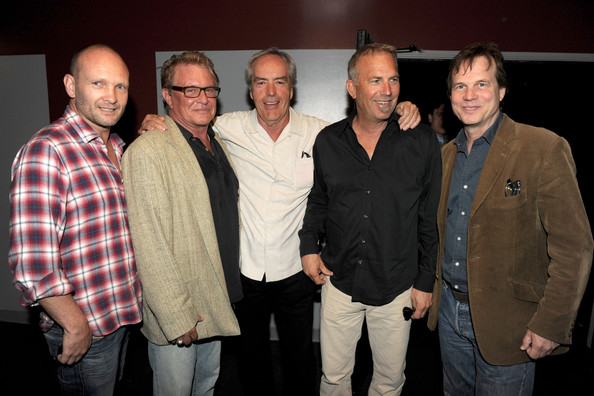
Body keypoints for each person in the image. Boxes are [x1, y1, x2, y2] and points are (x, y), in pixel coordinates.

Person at [139, 47, 421, 396]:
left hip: (296, 269)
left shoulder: (319, 134)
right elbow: (184, 122)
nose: (270, 92)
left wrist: (403, 111)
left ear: (292, 88)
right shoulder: (226, 128)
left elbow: (365, 125)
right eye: (261, 82)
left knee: (300, 359)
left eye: (279, 82)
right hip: (245, 271)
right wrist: (156, 121)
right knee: (251, 360)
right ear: (250, 89)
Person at [426, 42, 594, 396]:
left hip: (510, 324)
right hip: (449, 316)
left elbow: (575, 248)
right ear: (450, 96)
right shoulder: (444, 157)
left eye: (481, 84)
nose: (470, 95)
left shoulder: (543, 148)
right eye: (460, 86)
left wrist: (551, 323)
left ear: (501, 91)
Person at [299, 43, 442, 395]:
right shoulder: (328, 141)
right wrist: (307, 246)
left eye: (393, 79)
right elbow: (318, 199)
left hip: (397, 288)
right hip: (339, 281)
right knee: (333, 378)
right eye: (375, 80)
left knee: (389, 382)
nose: (388, 90)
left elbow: (429, 217)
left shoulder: (421, 141)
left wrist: (426, 281)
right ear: (353, 88)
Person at [8, 44, 143, 395]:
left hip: (121, 315)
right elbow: (33, 262)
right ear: (70, 85)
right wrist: (75, 324)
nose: (111, 97)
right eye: (98, 83)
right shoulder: (47, 150)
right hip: (86, 326)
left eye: (120, 86)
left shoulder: (119, 149)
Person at [122, 51, 241, 396]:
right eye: (190, 90)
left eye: (209, 90)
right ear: (167, 95)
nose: (202, 99)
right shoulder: (148, 152)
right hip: (181, 306)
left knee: (206, 386)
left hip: (216, 296)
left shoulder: (218, 144)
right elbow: (148, 242)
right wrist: (175, 315)